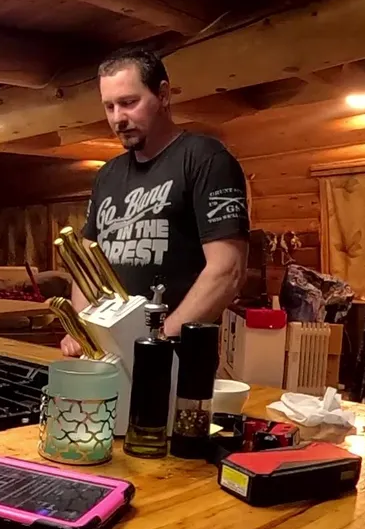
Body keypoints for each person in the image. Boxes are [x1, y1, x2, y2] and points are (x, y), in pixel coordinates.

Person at [61, 47, 249, 357]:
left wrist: (158, 342)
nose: (118, 118)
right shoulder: (107, 175)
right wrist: (84, 330)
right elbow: (87, 267)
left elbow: (227, 270)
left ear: (163, 95)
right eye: (109, 107)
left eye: (129, 103)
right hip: (109, 354)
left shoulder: (205, 159)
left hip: (176, 356)